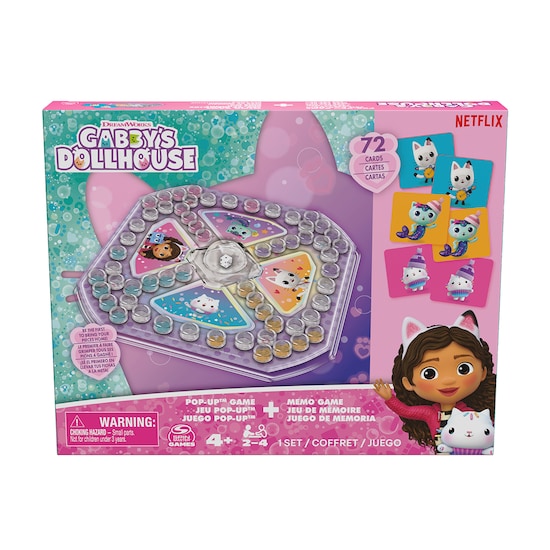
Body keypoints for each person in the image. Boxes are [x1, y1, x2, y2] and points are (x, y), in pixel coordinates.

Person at [373, 310, 496, 453]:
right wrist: (389, 398)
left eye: (463, 369)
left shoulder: (472, 415)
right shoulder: (429, 413)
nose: (448, 380)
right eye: (429, 373)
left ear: (483, 373)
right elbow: (406, 411)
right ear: (408, 383)